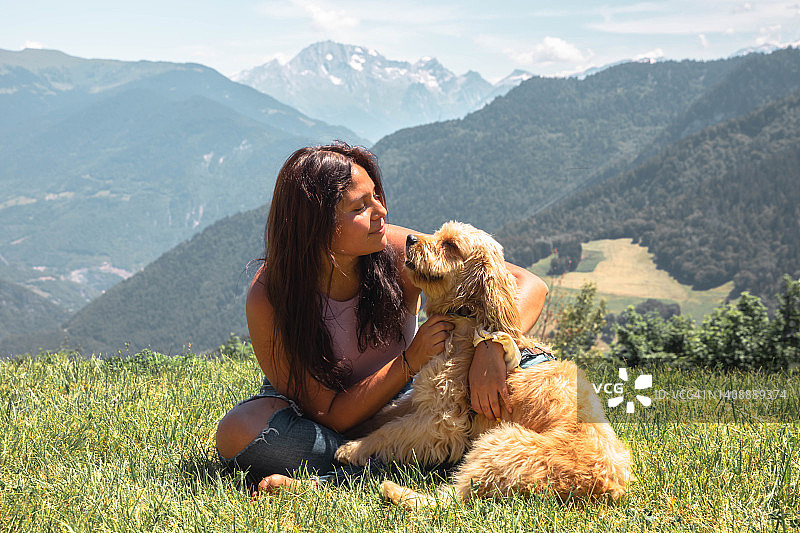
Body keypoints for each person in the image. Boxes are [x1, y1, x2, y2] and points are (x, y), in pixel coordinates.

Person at [215, 143, 548, 491]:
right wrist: (410, 360)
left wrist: (491, 346)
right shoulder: (270, 294)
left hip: (411, 399)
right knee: (241, 430)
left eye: (376, 196)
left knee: (530, 369)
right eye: (360, 206)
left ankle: (364, 465)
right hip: (322, 419)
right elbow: (333, 414)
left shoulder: (396, 249)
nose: (381, 211)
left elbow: (529, 284)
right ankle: (417, 459)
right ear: (314, 224)